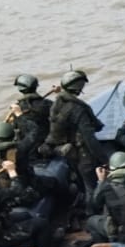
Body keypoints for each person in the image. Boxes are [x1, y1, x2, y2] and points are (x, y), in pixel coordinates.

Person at [46, 69, 107, 198]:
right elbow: (89, 137)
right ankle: (92, 211)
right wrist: (104, 160)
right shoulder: (78, 108)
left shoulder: (57, 103)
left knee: (81, 182)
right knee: (92, 187)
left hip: (68, 151)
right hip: (83, 154)